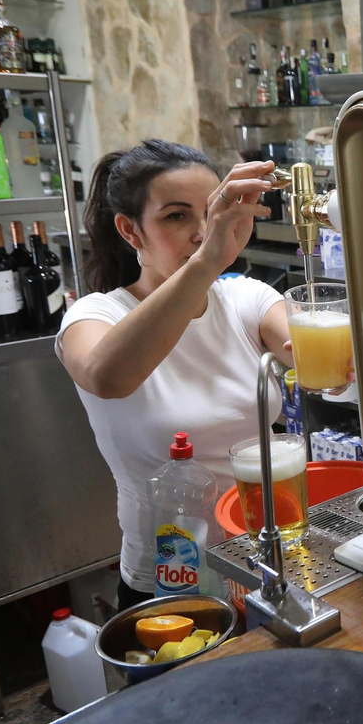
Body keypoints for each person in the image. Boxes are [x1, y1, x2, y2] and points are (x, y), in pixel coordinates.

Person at [56, 141, 294, 611]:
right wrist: (208, 262)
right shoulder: (96, 315)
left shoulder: (244, 298)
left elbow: (309, 347)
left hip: (260, 559)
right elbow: (109, 377)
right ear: (130, 230)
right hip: (171, 576)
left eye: (212, 212)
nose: (203, 232)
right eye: (176, 216)